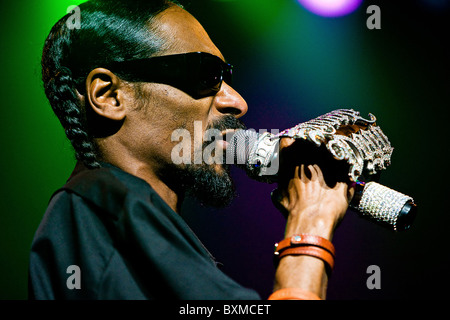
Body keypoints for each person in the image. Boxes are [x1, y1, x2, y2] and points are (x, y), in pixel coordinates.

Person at [29, 0, 354, 300]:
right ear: (110, 96)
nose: (237, 102)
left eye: (227, 77)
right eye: (206, 75)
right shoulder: (105, 204)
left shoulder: (111, 217)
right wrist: (309, 225)